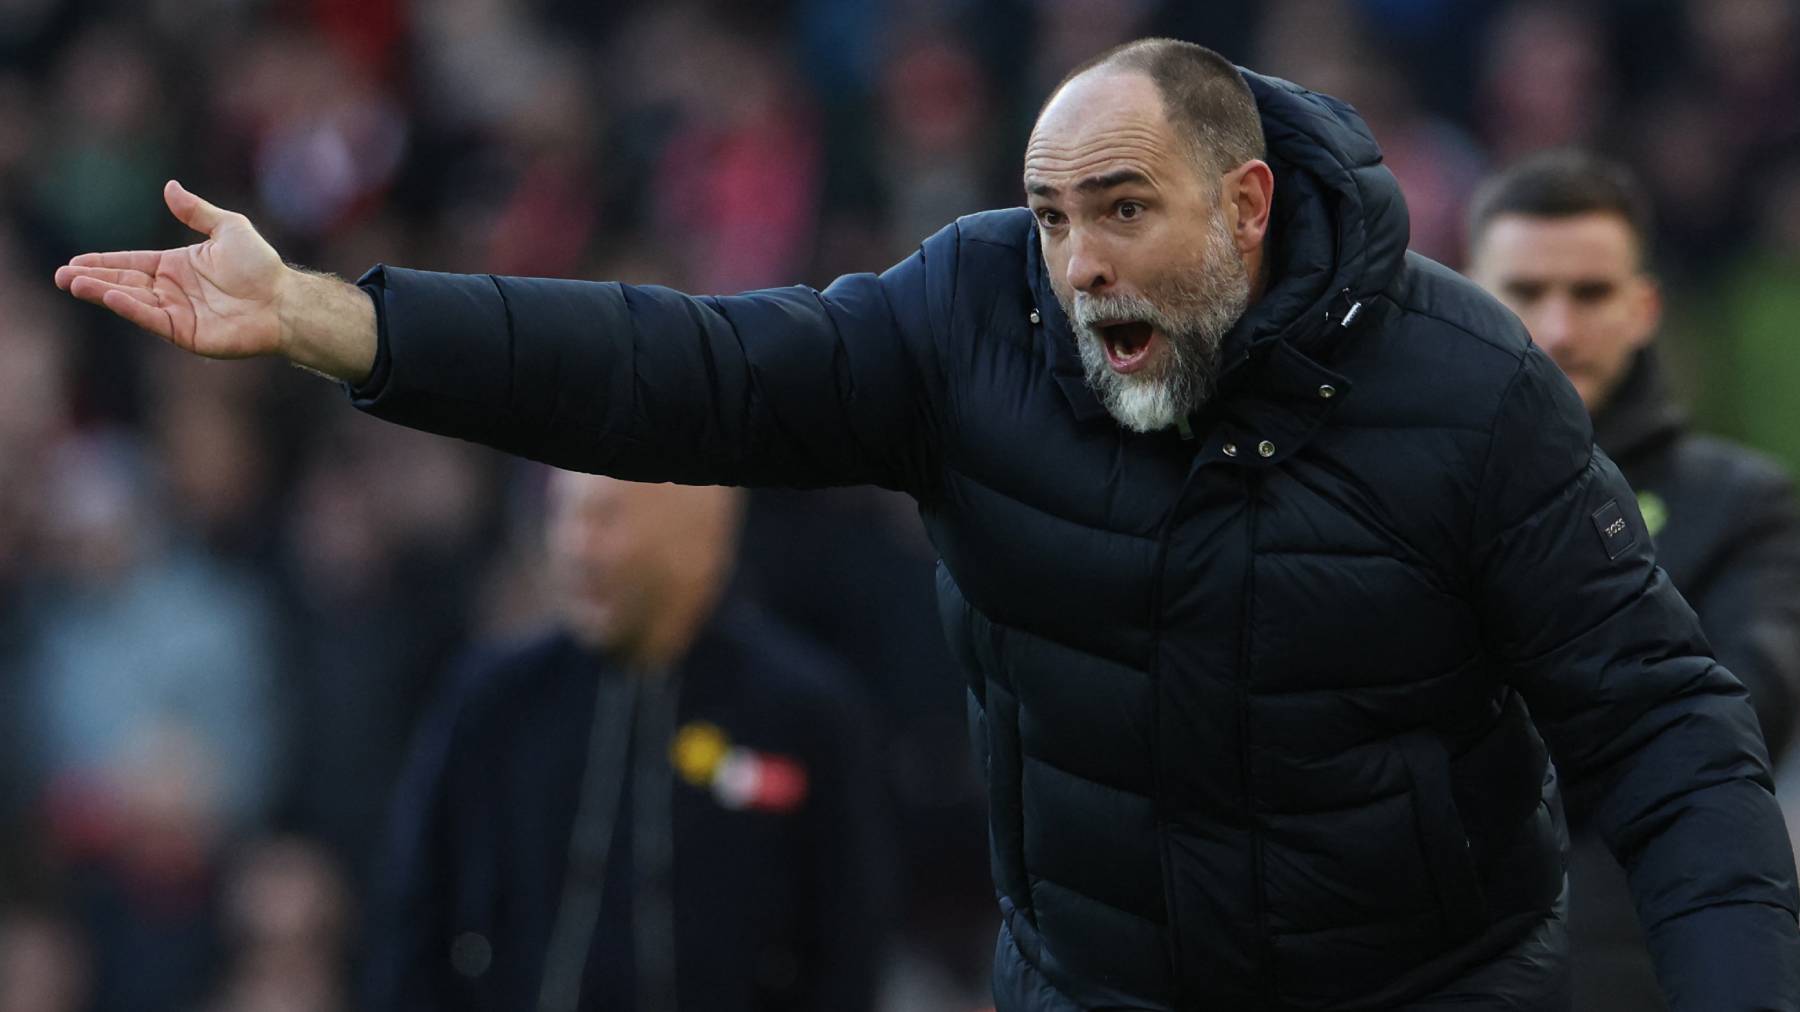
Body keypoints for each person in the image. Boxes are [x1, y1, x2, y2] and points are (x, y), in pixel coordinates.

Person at [53, 37, 1800, 1012]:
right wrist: (337, 320)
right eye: (1048, 217)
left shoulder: (1467, 385)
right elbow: (686, 372)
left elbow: (1664, 729)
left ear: (1249, 204)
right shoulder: (974, 318)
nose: (1077, 264)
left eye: (1122, 210)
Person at [1465, 149, 1800, 1012]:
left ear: (1644, 307)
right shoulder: (1407, 497)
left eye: (1590, 293)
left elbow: (1735, 725)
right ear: (1467, 301)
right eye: (1526, 291)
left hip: (1640, 966)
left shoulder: (1742, 505)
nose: (1559, 328)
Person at [362, 469, 886, 1011]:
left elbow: (846, 948)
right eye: (564, 514)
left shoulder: (803, 714)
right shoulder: (493, 701)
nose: (576, 546)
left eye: (606, 518)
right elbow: (413, 924)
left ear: (701, 541)